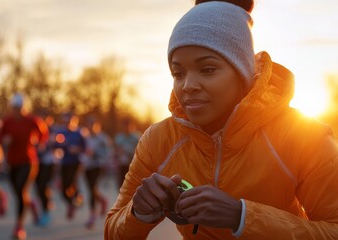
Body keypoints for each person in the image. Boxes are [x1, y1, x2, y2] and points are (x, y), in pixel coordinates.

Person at [104, 1, 338, 239]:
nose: (188, 86)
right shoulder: (159, 140)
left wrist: (242, 216)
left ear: (243, 74)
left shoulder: (303, 135)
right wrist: (138, 213)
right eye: (178, 73)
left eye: (207, 69)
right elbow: (112, 231)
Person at [0, 93, 49, 240]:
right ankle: (31, 204)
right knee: (18, 193)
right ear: (11, 108)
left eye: (19, 108)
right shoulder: (7, 121)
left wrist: (38, 142)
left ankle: (19, 227)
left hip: (28, 161)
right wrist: (4, 140)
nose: (17, 111)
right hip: (12, 162)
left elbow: (44, 133)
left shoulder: (32, 120)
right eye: (14, 108)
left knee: (21, 191)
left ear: (24, 108)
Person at [53, 112, 86, 220]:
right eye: (66, 121)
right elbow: (55, 145)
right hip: (64, 162)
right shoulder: (61, 132)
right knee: (64, 188)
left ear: (75, 121)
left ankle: (77, 197)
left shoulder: (80, 133)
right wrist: (57, 143)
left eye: (70, 121)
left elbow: (85, 148)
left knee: (72, 182)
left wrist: (77, 149)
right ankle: (72, 203)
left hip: (76, 162)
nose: (68, 123)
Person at [81, 118, 111, 229]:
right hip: (86, 166)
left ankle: (92, 216)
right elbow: (82, 150)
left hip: (97, 166)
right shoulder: (85, 137)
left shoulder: (102, 139)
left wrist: (96, 155)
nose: (91, 128)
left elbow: (108, 153)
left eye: (93, 125)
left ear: (98, 126)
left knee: (92, 188)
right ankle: (103, 200)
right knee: (91, 188)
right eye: (89, 125)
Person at [113, 117, 141, 188]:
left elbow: (141, 152)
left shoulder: (137, 137)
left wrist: (128, 151)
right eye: (125, 126)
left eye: (128, 126)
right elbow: (114, 150)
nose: (127, 128)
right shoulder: (119, 137)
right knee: (121, 185)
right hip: (121, 165)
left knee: (132, 186)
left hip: (133, 165)